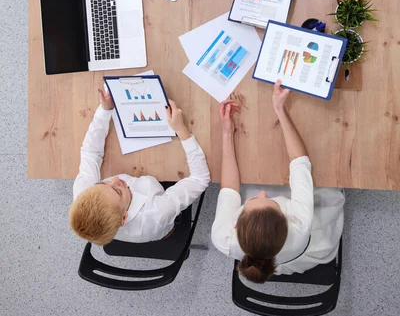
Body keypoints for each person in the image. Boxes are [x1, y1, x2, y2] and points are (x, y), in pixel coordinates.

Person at [211, 80, 344, 282]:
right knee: (328, 181)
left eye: (254, 201)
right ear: (287, 218)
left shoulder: (222, 238)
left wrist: (227, 132)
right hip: (306, 247)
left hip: (276, 244)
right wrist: (279, 109)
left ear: (236, 224)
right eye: (272, 201)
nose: (264, 193)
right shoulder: (300, 223)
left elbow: (229, 189)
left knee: (254, 178)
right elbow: (300, 162)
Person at [69, 89, 210, 245]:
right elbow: (200, 179)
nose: (115, 179)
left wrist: (105, 111)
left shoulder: (84, 195)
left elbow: (90, 152)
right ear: (123, 218)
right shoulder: (157, 213)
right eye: (117, 190)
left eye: (103, 183)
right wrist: (180, 129)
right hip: (160, 228)